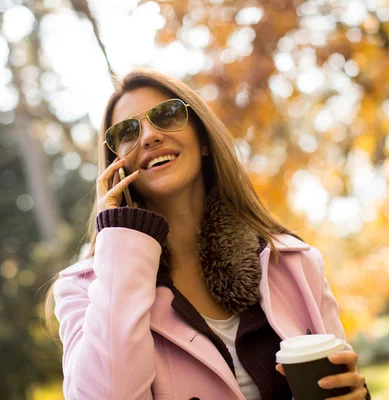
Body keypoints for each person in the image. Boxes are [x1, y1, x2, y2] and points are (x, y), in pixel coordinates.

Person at [49, 68, 370, 399]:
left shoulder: (292, 262)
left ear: (202, 140)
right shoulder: (81, 291)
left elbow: (341, 381)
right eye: (127, 131)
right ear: (118, 165)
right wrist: (120, 241)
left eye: (167, 115)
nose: (148, 136)